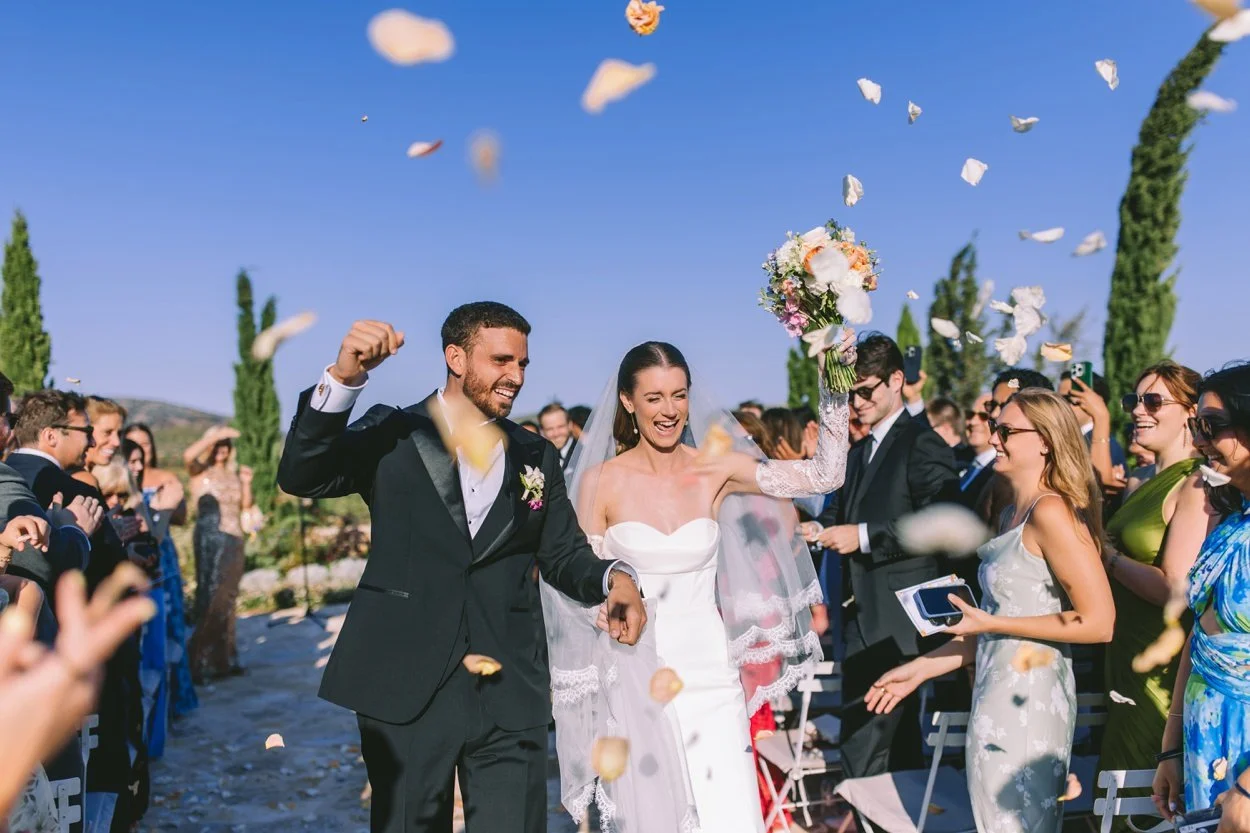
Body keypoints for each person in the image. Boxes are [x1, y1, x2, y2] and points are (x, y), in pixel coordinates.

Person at [276, 305, 647, 833]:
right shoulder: (393, 432)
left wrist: (616, 578)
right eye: (501, 360)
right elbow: (302, 474)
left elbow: (563, 555)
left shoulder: (534, 456)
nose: (516, 376)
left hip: (509, 687)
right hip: (405, 681)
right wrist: (344, 379)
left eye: (522, 363)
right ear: (455, 357)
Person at [546, 334, 852, 833]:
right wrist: (600, 611)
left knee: (725, 809)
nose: (669, 410)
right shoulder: (600, 480)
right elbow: (578, 577)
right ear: (628, 401)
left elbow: (826, 474)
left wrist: (833, 381)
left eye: (679, 394)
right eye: (654, 397)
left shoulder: (717, 470)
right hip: (635, 673)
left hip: (710, 673)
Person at [868, 387, 1114, 833]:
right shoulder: (1010, 516)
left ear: (1044, 440)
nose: (994, 438)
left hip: (1030, 698)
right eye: (995, 428)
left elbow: (1100, 622)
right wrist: (920, 669)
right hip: (992, 692)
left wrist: (992, 622)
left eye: (1006, 430)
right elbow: (990, 628)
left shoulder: (1052, 511)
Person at [804, 333, 960, 778]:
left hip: (899, 623)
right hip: (861, 616)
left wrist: (866, 536)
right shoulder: (860, 451)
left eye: (866, 390)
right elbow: (838, 512)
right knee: (887, 752)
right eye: (850, 392)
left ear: (897, 380)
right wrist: (815, 529)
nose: (856, 402)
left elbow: (944, 521)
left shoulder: (921, 442)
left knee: (867, 752)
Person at [8, 389, 150, 831]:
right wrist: (81, 532)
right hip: (68, 649)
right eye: (86, 431)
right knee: (90, 779)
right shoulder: (67, 488)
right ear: (51, 434)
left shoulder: (14, 472)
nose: (91, 442)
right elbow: (61, 561)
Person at [1098, 362, 1208, 819]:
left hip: (1159, 669)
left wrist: (1105, 556)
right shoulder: (1139, 482)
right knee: (1114, 802)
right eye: (1133, 401)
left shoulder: (1197, 483)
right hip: (1121, 656)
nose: (1138, 411)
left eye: (1153, 401)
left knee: (1145, 809)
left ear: (1189, 412)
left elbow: (1173, 590)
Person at [1153, 362, 1250, 823]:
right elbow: (1199, 637)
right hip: (1201, 739)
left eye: (1211, 426)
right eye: (1196, 426)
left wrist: (1249, 791)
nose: (1199, 440)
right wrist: (1170, 751)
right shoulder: (1230, 526)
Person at [123, 424, 197, 717]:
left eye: (146, 444)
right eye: (135, 444)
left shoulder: (164, 477)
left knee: (172, 623)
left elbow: (180, 517)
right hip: (135, 555)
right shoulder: (121, 477)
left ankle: (177, 696)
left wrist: (167, 504)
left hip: (161, 551)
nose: (143, 450)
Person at [183, 425, 252, 683]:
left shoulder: (233, 474)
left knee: (229, 598)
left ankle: (225, 660)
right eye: (217, 444)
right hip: (211, 537)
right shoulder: (200, 471)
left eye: (225, 444)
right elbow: (188, 457)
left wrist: (246, 483)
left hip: (235, 539)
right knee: (210, 595)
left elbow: (245, 505)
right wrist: (213, 435)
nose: (222, 448)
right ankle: (197, 662)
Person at [1059, 369, 1128, 496]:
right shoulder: (1073, 440)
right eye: (1057, 399)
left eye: (1068, 398)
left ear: (1096, 401)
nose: (1060, 405)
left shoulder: (1107, 446)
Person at [538, 403, 578, 470]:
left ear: (570, 425)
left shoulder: (583, 452)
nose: (556, 433)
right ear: (542, 431)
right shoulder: (540, 459)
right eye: (549, 429)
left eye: (560, 427)